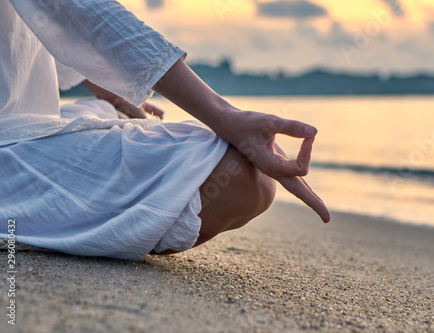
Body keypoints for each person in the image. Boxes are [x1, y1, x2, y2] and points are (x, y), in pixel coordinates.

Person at [0, 0, 330, 260]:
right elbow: (83, 10)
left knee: (107, 112)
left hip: (26, 123)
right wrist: (228, 118)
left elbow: (43, 23)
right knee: (239, 175)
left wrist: (113, 95)